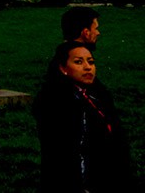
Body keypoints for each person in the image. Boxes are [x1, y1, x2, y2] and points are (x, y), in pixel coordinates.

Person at [33, 41, 133, 192]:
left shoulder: (100, 96)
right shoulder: (53, 100)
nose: (88, 67)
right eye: (78, 62)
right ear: (63, 68)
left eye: (91, 62)